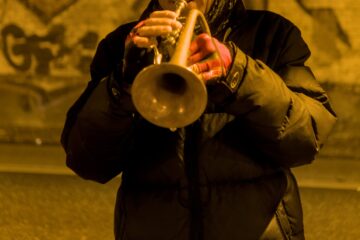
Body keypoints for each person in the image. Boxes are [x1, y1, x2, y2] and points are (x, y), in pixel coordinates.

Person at [61, 0, 337, 239]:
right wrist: (121, 85)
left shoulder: (272, 34)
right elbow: (87, 161)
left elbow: (306, 138)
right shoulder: (121, 45)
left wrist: (238, 73)